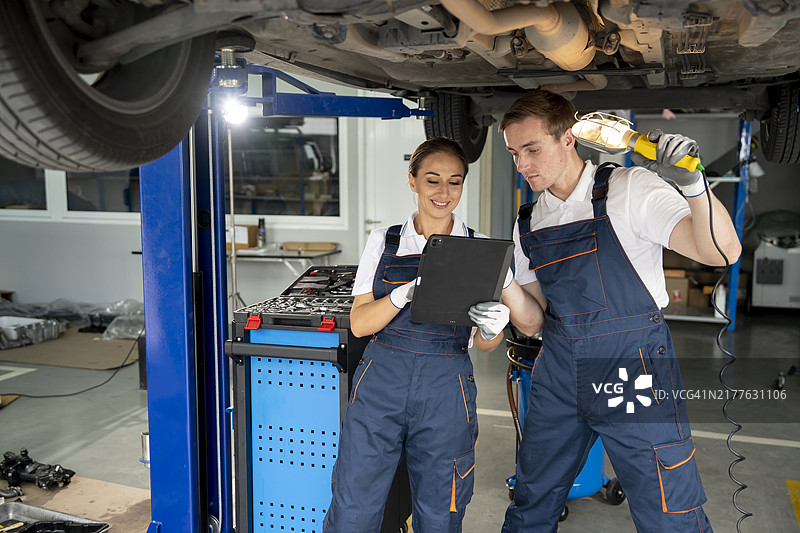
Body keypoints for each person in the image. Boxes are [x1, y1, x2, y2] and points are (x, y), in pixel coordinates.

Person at [498, 90, 741, 532]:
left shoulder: (628, 189)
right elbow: (535, 320)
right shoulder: (528, 223)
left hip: (630, 369)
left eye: (532, 149)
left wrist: (693, 187)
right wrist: (500, 283)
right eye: (515, 154)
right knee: (531, 499)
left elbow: (722, 252)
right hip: (558, 374)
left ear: (568, 138)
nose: (523, 165)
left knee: (667, 506)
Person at [324, 137, 523, 533]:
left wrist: (493, 326)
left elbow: (483, 345)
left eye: (454, 181)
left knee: (441, 507)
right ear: (412, 181)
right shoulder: (385, 241)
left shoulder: (480, 248)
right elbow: (360, 324)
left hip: (445, 386)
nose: (444, 192)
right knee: (354, 503)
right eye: (432, 180)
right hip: (381, 379)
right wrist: (401, 295)